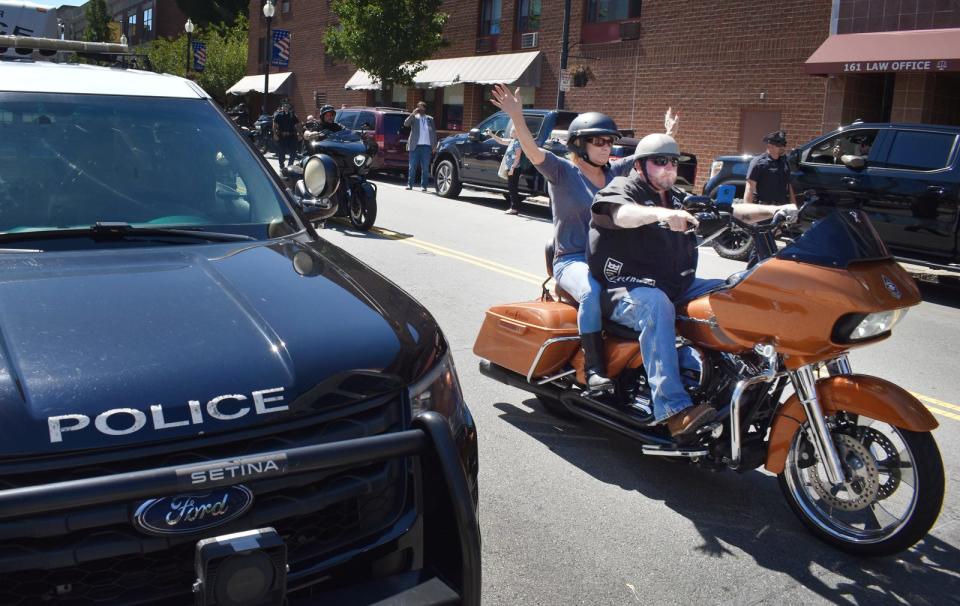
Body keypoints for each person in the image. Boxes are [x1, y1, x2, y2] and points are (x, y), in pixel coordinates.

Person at [588, 133, 796, 436]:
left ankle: (741, 377)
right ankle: (672, 409)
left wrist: (775, 210)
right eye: (660, 161)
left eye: (673, 161)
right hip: (623, 288)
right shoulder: (623, 188)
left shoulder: (675, 197)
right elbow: (622, 214)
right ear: (641, 164)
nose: (669, 167)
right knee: (657, 304)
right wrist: (662, 215)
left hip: (674, 284)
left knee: (737, 288)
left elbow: (730, 209)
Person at [490, 83, 647, 389]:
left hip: (609, 259)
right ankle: (593, 368)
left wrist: (669, 135)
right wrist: (517, 117)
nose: (607, 147)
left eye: (610, 141)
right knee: (590, 291)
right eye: (598, 141)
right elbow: (532, 151)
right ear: (579, 144)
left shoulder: (614, 173)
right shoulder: (562, 172)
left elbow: (647, 155)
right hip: (571, 259)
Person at [743, 130, 797, 208]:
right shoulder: (758, 163)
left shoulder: (784, 162)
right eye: (779, 146)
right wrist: (747, 210)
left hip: (781, 208)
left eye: (783, 145)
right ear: (769, 146)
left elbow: (789, 186)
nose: (782, 148)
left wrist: (794, 207)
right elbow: (750, 187)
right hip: (764, 208)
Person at [487, 121, 523, 215]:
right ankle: (515, 207)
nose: (510, 132)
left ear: (516, 133)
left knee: (513, 188)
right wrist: (491, 134)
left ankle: (514, 208)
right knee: (512, 188)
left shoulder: (517, 143)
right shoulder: (512, 141)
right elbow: (501, 141)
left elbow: (518, 157)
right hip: (511, 168)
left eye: (512, 131)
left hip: (514, 169)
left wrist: (512, 168)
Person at [403, 101, 437, 191]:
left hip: (426, 147)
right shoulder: (414, 118)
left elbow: (433, 133)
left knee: (425, 168)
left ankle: (424, 186)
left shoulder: (430, 119)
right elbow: (406, 124)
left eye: (421, 107)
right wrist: (412, 114)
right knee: (412, 166)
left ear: (425, 109)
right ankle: (410, 185)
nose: (419, 109)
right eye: (418, 107)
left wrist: (434, 146)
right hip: (415, 146)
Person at [272, 101, 301, 168]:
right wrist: (275, 134)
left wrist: (300, 134)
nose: (286, 107)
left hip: (291, 136)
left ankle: (289, 166)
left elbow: (298, 124)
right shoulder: (278, 115)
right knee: (281, 153)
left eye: (287, 106)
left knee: (293, 153)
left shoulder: (292, 115)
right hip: (282, 137)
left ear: (289, 107)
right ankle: (282, 166)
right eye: (284, 106)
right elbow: (274, 125)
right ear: (282, 107)